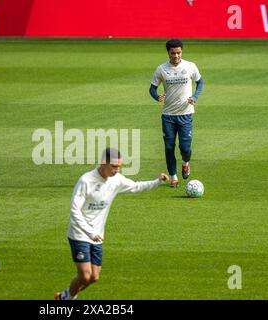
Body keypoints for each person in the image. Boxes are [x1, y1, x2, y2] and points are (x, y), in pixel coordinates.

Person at [54, 148, 169, 300]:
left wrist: (157, 182)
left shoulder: (116, 180)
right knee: (85, 275)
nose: (117, 170)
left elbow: (136, 186)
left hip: (98, 236)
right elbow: (74, 210)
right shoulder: (86, 181)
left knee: (94, 277)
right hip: (80, 233)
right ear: (103, 163)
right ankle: (66, 300)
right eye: (114, 166)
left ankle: (64, 296)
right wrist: (89, 232)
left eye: (119, 166)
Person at [149, 38, 203, 188]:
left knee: (185, 148)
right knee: (169, 147)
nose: (176, 56)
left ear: (182, 52)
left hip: (186, 114)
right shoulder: (161, 69)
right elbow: (152, 89)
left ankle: (185, 163)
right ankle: (173, 177)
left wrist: (195, 96)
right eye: (173, 53)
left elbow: (200, 82)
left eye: (179, 53)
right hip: (168, 116)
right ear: (168, 53)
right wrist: (157, 96)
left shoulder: (190, 66)